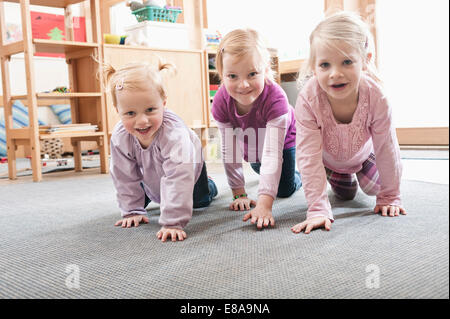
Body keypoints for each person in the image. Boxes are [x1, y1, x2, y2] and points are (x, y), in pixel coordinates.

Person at [291, 11, 406, 235]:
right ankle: (340, 176)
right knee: (345, 195)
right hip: (328, 161)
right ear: (314, 67)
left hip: (363, 157)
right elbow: (308, 154)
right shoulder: (308, 99)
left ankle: (359, 175)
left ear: (365, 61)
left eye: (346, 62)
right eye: (325, 65)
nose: (336, 73)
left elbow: (387, 147)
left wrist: (391, 195)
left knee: (375, 188)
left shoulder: (377, 97)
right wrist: (318, 209)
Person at [104, 60, 217, 242]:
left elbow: (179, 177)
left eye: (150, 110)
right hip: (150, 175)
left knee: (199, 201)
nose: (142, 121)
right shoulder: (120, 136)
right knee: (142, 196)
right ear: (118, 110)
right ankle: (150, 196)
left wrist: (173, 222)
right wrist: (132, 210)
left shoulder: (174, 134)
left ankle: (209, 184)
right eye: (130, 113)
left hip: (189, 171)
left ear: (163, 103)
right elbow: (123, 175)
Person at [211, 28, 302, 229]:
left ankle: (301, 175)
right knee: (259, 166)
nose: (243, 85)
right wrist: (239, 193)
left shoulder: (276, 99)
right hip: (251, 142)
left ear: (266, 70)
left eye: (252, 74)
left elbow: (272, 152)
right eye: (232, 76)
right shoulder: (220, 101)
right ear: (222, 74)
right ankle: (259, 166)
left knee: (283, 189)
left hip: (281, 142)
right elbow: (229, 149)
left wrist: (264, 204)